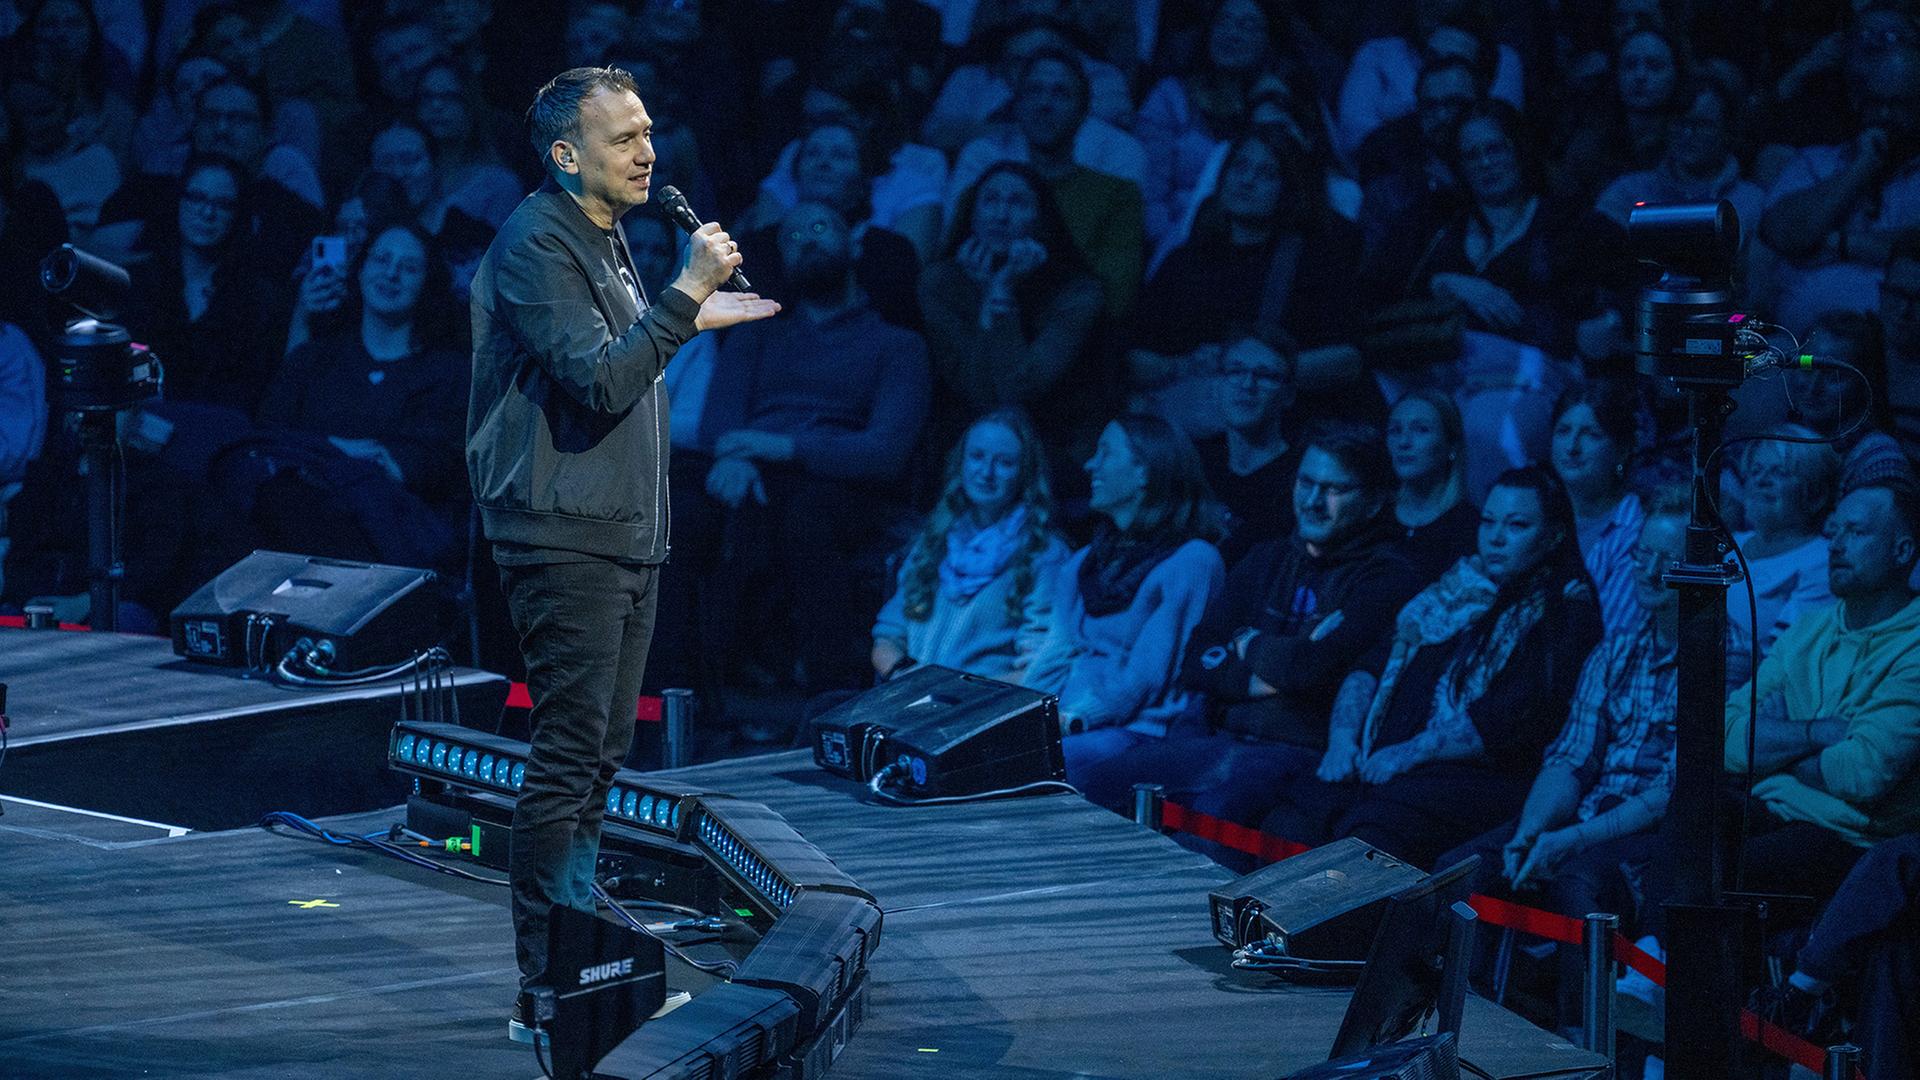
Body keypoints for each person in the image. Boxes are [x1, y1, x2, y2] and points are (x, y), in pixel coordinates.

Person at [464, 66, 778, 1043]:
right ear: (567, 156)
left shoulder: (604, 237)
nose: (646, 152)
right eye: (622, 139)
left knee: (602, 758)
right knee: (566, 760)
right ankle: (545, 991)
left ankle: (586, 956)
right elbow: (599, 386)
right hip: (562, 536)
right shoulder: (535, 242)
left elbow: (623, 355)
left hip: (625, 532)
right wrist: (685, 293)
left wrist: (686, 311)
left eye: (648, 132)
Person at [1080, 424, 1421, 863]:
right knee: (1090, 785)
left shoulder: (1387, 576)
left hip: (1298, 749)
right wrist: (1281, 663)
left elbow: (1310, 670)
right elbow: (1197, 657)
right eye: (1307, 483)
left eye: (1335, 489)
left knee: (1216, 816)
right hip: (1222, 734)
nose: (1314, 501)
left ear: (1374, 501)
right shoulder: (1268, 557)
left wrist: (1247, 642)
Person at [1265, 465, 1604, 871]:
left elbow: (1508, 718)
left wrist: (1408, 753)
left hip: (1475, 778)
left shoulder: (1563, 609)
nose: (1495, 538)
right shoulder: (1452, 590)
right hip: (1382, 763)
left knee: (1371, 834)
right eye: (1488, 522)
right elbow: (1369, 666)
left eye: (1516, 525)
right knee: (1290, 818)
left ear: (1552, 536)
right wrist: (1343, 740)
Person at [1438, 491, 1685, 1034]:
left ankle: (1585, 1045)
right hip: (1585, 815)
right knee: (1468, 869)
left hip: (1653, 834)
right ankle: (1462, 1026)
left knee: (1577, 886)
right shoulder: (1615, 652)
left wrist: (1569, 840)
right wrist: (1530, 832)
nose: (1650, 570)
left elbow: (1673, 790)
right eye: (1643, 555)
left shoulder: (1722, 659)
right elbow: (1571, 758)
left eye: (1669, 560)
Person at [253, 222, 470, 573]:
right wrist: (339, 449)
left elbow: (433, 464)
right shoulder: (316, 358)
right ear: (361, 269)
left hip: (393, 539)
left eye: (409, 267)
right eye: (382, 259)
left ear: (426, 281)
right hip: (296, 523)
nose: (392, 273)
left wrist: (322, 453)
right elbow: (266, 436)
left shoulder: (449, 372)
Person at [1024, 415, 1228, 788]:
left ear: (1145, 472)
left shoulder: (1191, 562)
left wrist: (1068, 721)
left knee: (1038, 768)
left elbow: (1145, 679)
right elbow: (1054, 655)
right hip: (1071, 723)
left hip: (1141, 732)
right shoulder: (1084, 562)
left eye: (1105, 453)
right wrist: (1022, 716)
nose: (1090, 465)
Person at [919, 160, 1107, 494]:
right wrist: (987, 296)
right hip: (964, 425)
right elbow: (975, 391)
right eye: (990, 201)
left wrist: (1001, 297)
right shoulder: (939, 282)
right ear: (971, 213)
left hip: (1053, 430)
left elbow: (1017, 391)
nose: (1001, 215)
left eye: (1018, 203)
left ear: (1042, 218)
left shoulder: (1078, 292)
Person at [871, 409, 1069, 684]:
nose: (986, 473)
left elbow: (1038, 667)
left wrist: (958, 694)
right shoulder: (935, 540)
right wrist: (905, 675)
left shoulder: (1044, 556)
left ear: (1024, 473)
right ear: (961, 463)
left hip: (984, 711)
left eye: (1004, 462)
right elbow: (888, 636)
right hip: (914, 703)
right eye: (977, 457)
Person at [946, 46, 1146, 317]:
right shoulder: (983, 194)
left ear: (1083, 111)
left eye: (1060, 94)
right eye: (1033, 91)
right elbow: (942, 281)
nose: (1044, 104)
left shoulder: (1117, 196)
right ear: (1016, 105)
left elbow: (1115, 301)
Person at [1724, 429, 1840, 689]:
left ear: (1816, 494)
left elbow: (1783, 660)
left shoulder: (1821, 560)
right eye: (1755, 471)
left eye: (1780, 472)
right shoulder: (1729, 544)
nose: (1762, 480)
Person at [1188, 328, 1305, 562]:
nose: (1247, 384)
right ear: (1217, 385)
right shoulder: (1193, 461)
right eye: (1236, 370)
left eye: (1266, 376)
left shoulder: (1303, 477)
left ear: (1289, 394)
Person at [1550, 381, 1646, 635]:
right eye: (1563, 431)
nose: (1572, 447)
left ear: (1622, 449)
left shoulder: (1634, 531)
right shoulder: (1539, 514)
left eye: (1592, 434)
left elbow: (1616, 635)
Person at [1388, 389, 1480, 584]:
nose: (1403, 442)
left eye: (1421, 430)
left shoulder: (1469, 529)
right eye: (1395, 430)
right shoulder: (1373, 517)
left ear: (1452, 445)